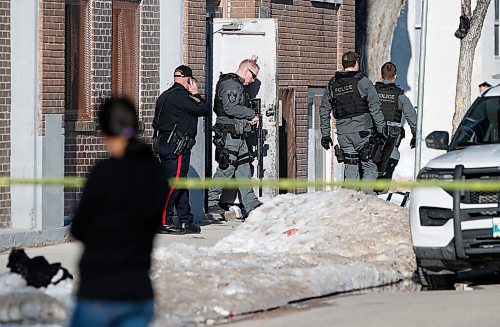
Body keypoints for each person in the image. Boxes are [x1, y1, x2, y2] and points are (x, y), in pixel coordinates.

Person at [70, 97, 167, 327]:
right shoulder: (155, 172)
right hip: (139, 291)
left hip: (99, 290)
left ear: (104, 132)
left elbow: (79, 228)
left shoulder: (104, 173)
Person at [153, 65, 209, 235]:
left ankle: (185, 219)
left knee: (180, 183)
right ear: (188, 80)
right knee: (174, 184)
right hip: (175, 146)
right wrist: (195, 94)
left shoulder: (165, 95)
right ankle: (163, 221)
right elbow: (204, 109)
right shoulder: (183, 97)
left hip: (166, 143)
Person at [319, 51, 385, 193]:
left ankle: (350, 202)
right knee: (369, 167)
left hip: (343, 135)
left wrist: (325, 135)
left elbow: (324, 109)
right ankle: (366, 202)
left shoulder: (332, 84)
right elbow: (375, 108)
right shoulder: (363, 82)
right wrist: (382, 130)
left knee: (351, 166)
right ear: (356, 63)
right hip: (363, 133)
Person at [207, 57, 262, 217]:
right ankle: (211, 202)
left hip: (238, 134)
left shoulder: (236, 83)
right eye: (253, 76)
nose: (253, 81)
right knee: (226, 168)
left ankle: (251, 203)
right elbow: (231, 108)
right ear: (246, 71)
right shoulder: (231, 85)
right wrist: (252, 114)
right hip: (229, 134)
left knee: (244, 167)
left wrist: (251, 60)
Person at [374, 61, 417, 184]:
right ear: (395, 76)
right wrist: (415, 136)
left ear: (381, 75)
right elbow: (412, 118)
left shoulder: (372, 93)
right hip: (390, 141)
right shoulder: (400, 96)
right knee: (388, 167)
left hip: (372, 140)